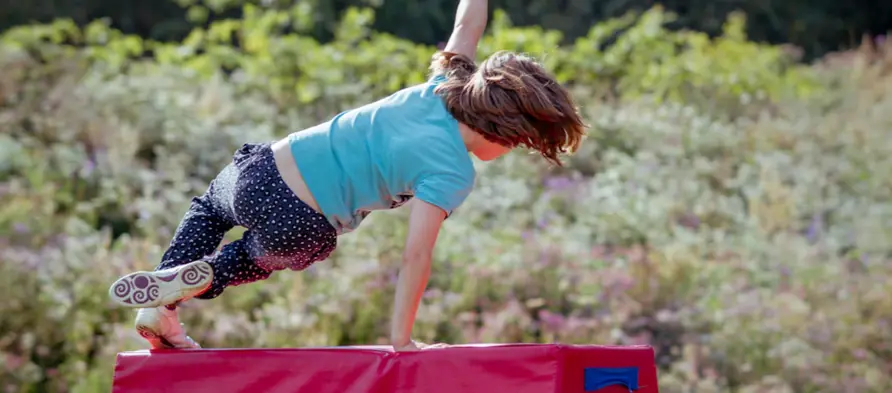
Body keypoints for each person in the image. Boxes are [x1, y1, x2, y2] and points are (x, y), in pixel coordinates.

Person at [107, 0, 586, 352]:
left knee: (208, 209)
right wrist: (403, 341)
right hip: (302, 223)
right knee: (270, 253)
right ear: (505, 130)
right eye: (519, 144)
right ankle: (206, 276)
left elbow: (469, 20)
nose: (510, 153)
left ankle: (162, 304)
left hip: (260, 171)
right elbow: (416, 256)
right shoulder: (450, 170)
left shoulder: (443, 84)